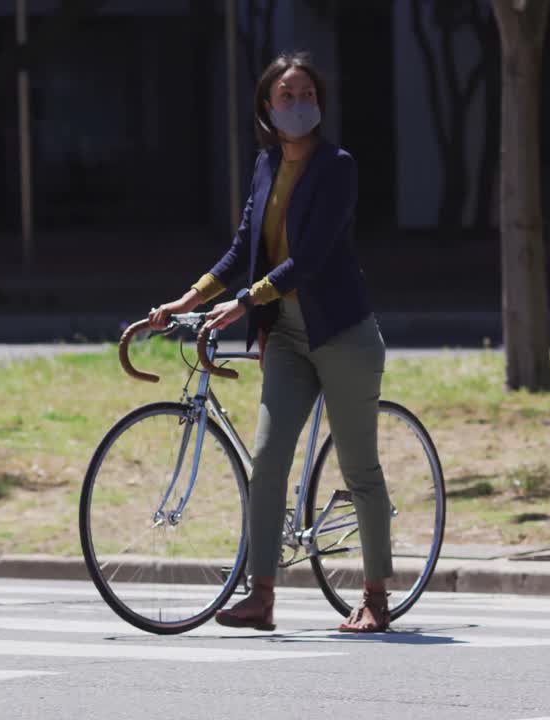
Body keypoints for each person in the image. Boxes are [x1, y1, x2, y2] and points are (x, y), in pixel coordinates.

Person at [148, 52, 392, 633]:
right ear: (266, 106)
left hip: (342, 334)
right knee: (267, 461)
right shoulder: (265, 165)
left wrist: (243, 302)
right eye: (287, 95)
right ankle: (261, 597)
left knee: (359, 468)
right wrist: (188, 298)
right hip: (285, 335)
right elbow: (242, 248)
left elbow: (311, 258)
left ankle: (376, 598)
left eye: (308, 94)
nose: (299, 104)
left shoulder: (337, 168)